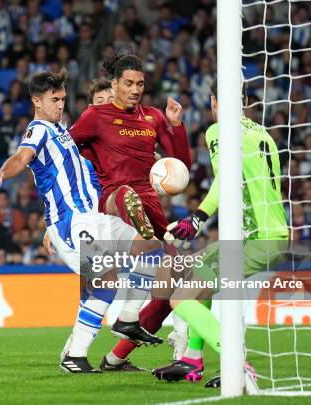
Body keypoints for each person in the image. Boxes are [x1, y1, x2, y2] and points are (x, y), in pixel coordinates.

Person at [0, 70, 162, 373]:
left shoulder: (65, 132)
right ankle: (75, 355)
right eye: (54, 100)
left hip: (96, 217)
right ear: (36, 101)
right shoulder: (38, 129)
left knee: (150, 248)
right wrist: (2, 173)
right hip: (72, 222)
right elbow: (22, 157)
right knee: (106, 281)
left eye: (63, 99)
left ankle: (126, 320)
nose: (60, 105)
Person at [152, 79, 288, 386]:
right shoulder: (261, 132)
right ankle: (191, 361)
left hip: (256, 240)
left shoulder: (219, 131)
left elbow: (225, 179)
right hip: (270, 233)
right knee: (196, 272)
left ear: (214, 101)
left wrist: (198, 218)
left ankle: (237, 364)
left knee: (179, 299)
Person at [69, 52, 193, 371]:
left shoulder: (152, 117)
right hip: (113, 196)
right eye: (128, 83)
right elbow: (67, 153)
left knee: (177, 274)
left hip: (149, 202)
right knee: (124, 195)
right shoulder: (96, 116)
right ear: (115, 84)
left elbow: (181, 167)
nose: (135, 89)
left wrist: (177, 127)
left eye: (140, 83)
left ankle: (121, 348)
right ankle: (176, 350)